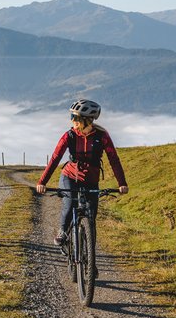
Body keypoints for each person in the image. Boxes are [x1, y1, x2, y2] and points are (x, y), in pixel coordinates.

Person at [35, 99, 129, 245]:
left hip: (91, 179)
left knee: (91, 218)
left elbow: (114, 159)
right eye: (72, 117)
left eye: (75, 117)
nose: (72, 120)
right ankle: (63, 231)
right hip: (70, 176)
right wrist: (42, 182)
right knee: (70, 202)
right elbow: (55, 158)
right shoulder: (69, 136)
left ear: (87, 120)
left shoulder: (102, 136)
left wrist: (122, 183)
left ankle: (91, 263)